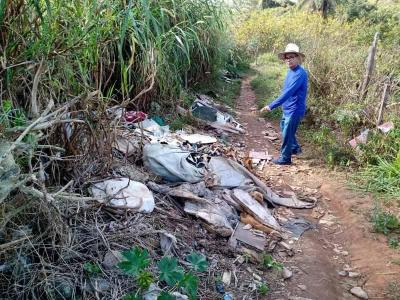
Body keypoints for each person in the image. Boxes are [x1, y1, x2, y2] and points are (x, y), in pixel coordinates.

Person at [260, 43, 308, 165]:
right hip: (287, 108)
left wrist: (271, 106)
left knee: (287, 134)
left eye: (292, 56)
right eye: (287, 57)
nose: (289, 59)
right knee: (284, 128)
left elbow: (288, 92)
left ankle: (285, 158)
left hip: (294, 109)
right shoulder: (290, 71)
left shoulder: (300, 74)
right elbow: (286, 92)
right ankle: (295, 148)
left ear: (298, 58)